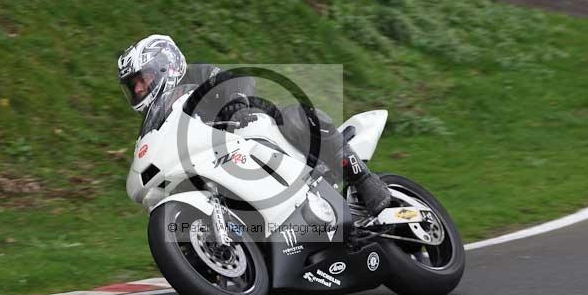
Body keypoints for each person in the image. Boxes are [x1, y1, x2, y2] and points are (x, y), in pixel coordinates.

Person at [117, 34, 392, 216]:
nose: (139, 88)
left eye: (143, 78)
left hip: (252, 129)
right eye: (133, 85)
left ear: (166, 64)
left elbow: (237, 80)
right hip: (214, 163)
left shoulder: (197, 73)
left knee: (300, 116)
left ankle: (364, 179)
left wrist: (234, 104)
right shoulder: (157, 118)